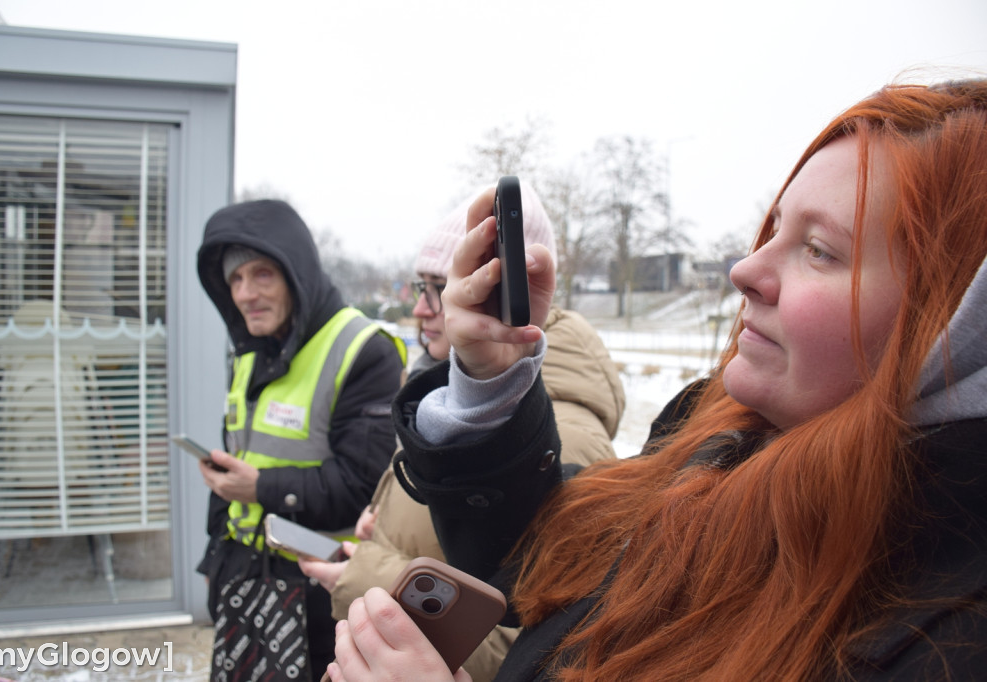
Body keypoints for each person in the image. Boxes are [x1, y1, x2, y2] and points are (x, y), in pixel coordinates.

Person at [326, 79, 987, 681]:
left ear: (952, 325)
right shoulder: (712, 436)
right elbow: (547, 562)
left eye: (819, 250)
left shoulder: (952, 640)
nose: (745, 268)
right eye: (774, 227)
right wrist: (491, 379)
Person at [299, 182, 626, 681]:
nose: (424, 308)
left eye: (443, 285)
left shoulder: (565, 438)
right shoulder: (457, 403)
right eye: (424, 285)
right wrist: (384, 525)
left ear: (504, 293)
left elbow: (534, 646)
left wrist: (364, 577)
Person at [193, 199, 406, 682]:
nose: (246, 293)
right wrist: (215, 560)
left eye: (261, 274)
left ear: (296, 275)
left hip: (319, 596)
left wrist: (260, 488)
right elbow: (240, 458)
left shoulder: (361, 350)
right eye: (235, 280)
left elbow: (362, 489)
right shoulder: (251, 350)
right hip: (244, 576)